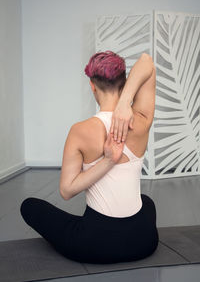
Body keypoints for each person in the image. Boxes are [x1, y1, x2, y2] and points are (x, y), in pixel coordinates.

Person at [20, 51, 158, 264]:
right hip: (144, 241)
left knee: (29, 206)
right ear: (124, 83)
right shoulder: (141, 119)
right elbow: (147, 61)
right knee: (147, 202)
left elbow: (67, 191)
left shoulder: (79, 131)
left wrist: (108, 161)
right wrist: (125, 102)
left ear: (92, 86)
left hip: (95, 244)